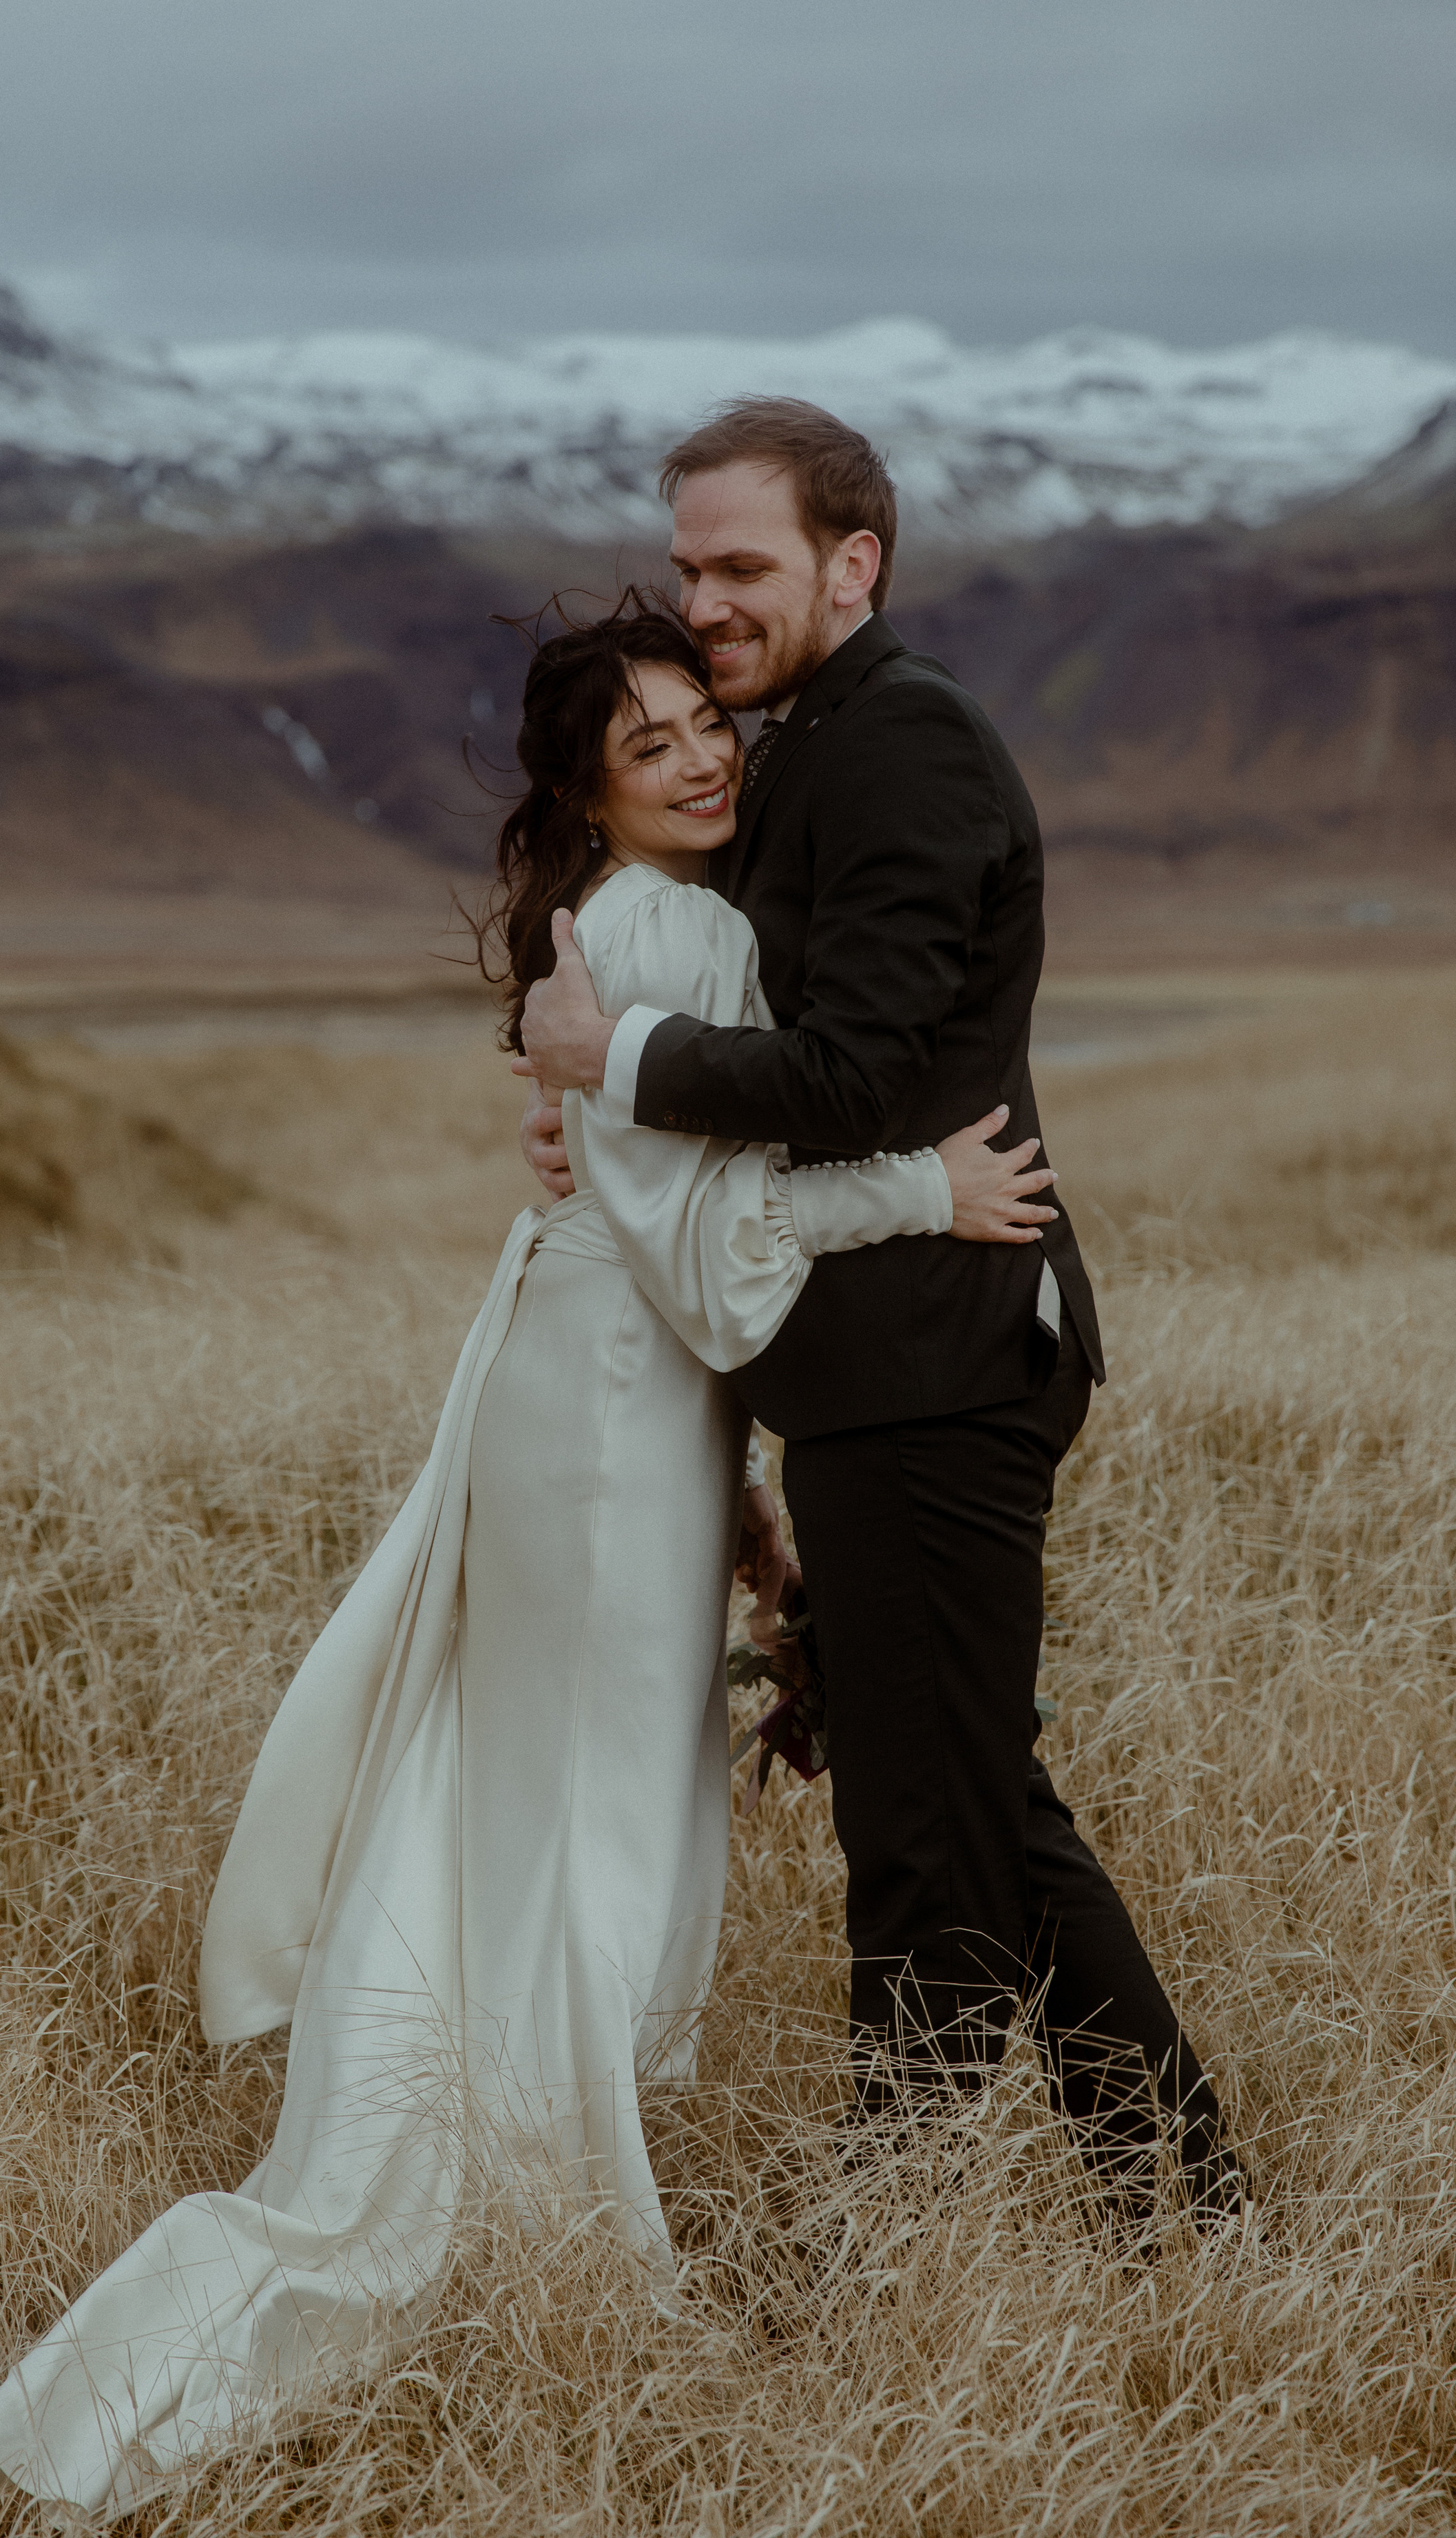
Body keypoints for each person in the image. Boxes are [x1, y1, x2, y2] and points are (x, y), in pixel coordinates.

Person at [0, 601, 1048, 2525]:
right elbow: (713, 1259)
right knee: (590, 1824)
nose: (698, 757)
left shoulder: (631, 928)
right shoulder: (666, 931)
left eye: (704, 721)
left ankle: (511, 2178)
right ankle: (563, 2236)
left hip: (602, 1395)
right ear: (586, 792)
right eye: (647, 743)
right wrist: (918, 1188)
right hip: (611, 1409)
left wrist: (731, 1470)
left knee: (533, 1805)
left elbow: (660, 1202)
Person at [519, 402, 1240, 2216]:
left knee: (927, 1836)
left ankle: (884, 2235)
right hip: (885, 1368)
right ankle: (1185, 2201)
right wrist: (590, 1106)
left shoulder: (900, 745)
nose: (705, 601)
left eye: (740, 565)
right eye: (687, 567)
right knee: (975, 1800)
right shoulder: (813, 746)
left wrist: (622, 1063)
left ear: (855, 564)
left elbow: (861, 1075)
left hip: (938, 1361)